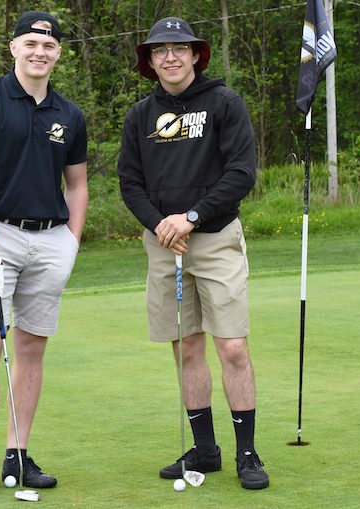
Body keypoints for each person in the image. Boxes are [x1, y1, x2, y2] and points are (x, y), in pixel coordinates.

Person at [117, 17, 269, 490]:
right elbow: (130, 182)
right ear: (150, 61)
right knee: (186, 348)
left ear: (196, 54)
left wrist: (193, 217)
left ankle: (247, 453)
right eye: (160, 50)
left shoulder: (224, 103)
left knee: (233, 347)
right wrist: (162, 224)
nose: (171, 57)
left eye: (180, 48)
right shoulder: (140, 116)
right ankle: (206, 450)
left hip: (216, 238)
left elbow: (241, 172)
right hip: (165, 245)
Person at [0, 11, 88, 498]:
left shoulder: (68, 115)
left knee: (31, 349)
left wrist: (71, 240)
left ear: (58, 54)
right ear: (13, 48)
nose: (39, 52)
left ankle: (19, 455)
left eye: (48, 46)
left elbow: (77, 183)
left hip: (51, 239)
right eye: (31, 43)